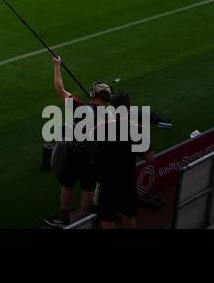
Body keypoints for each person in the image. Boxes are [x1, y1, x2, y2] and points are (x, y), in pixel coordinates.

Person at [44, 56, 112, 227]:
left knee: (67, 185)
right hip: (92, 158)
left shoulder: (81, 107)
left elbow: (60, 90)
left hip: (74, 154)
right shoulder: (110, 115)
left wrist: (57, 66)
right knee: (87, 188)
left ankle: (64, 217)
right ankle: (83, 219)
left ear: (93, 94)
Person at [92, 92, 155, 229]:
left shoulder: (99, 127)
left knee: (107, 220)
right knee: (129, 216)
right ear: (128, 108)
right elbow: (150, 159)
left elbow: (93, 150)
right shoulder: (137, 130)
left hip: (105, 182)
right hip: (127, 181)